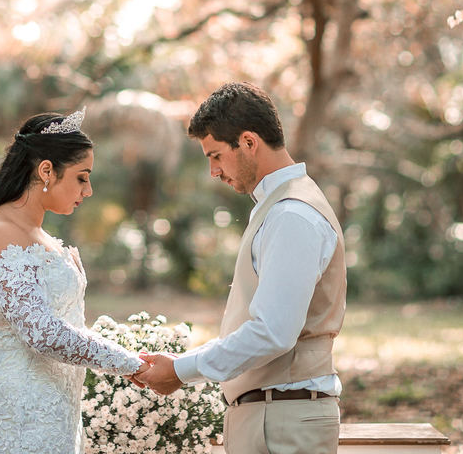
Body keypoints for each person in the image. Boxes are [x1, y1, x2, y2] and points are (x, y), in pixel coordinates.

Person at [134, 82, 346, 454]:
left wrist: (182, 371)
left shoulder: (291, 214)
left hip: (283, 421)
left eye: (215, 155)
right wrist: (181, 364)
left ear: (248, 142)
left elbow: (273, 332)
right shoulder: (279, 207)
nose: (214, 171)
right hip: (271, 415)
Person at [0, 108, 147, 454]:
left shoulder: (39, 235)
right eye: (82, 177)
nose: (88, 191)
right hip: (17, 413)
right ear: (46, 170)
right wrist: (130, 363)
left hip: (56, 409)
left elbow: (66, 322)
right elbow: (42, 333)